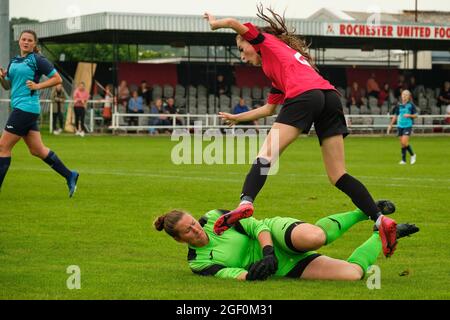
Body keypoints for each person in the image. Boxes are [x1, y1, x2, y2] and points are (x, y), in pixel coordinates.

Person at [203, 8, 399, 258]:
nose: (242, 56)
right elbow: (269, 108)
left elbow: (232, 22)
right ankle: (381, 220)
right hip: (329, 97)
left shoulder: (265, 42)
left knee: (265, 156)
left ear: (252, 42)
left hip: (305, 95)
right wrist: (236, 118)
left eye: (242, 49)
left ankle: (245, 203)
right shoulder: (278, 65)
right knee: (339, 174)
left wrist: (213, 23)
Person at [154, 202, 419, 281]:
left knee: (317, 236)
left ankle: (365, 211)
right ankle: (382, 234)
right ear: (179, 240)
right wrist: (251, 275)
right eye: (187, 231)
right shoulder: (198, 263)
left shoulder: (213, 217)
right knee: (353, 274)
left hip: (274, 233)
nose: (196, 230)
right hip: (281, 267)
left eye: (193, 223)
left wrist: (268, 251)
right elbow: (228, 273)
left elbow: (255, 224)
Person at [0, 30, 79, 197]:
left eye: (30, 40)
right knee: (37, 150)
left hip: (25, 109)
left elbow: (57, 79)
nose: (26, 42)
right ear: (19, 42)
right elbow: (7, 87)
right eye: (24, 39)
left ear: (34, 44)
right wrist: (1, 78)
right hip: (23, 109)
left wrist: (37, 86)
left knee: (2, 147)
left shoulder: (37, 59)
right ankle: (70, 175)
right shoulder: (14, 61)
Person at [387, 90, 418, 165]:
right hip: (400, 125)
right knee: (402, 143)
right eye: (403, 94)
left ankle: (413, 155)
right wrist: (390, 125)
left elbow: (416, 115)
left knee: (404, 142)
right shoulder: (399, 105)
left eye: (406, 95)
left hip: (407, 125)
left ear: (409, 96)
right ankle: (403, 160)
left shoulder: (411, 105)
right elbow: (395, 115)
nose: (404, 96)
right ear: (401, 95)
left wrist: (409, 115)